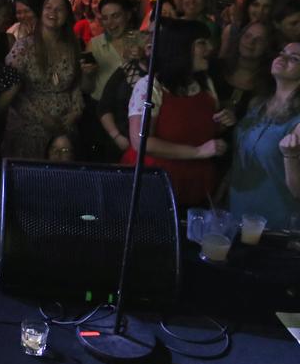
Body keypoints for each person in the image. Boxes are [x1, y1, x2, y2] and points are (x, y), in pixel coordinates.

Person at [122, 19, 233, 206]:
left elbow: (198, 129)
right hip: (156, 183)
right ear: (181, 47)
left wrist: (223, 122)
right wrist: (197, 152)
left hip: (195, 182)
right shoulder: (150, 87)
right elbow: (140, 141)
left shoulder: (205, 84)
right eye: (201, 43)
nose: (210, 48)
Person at [1, 0, 83, 159]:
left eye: (60, 9)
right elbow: (11, 90)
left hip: (64, 123)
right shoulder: (23, 46)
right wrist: (42, 118)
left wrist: (76, 110)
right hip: (29, 125)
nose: (54, 12)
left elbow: (76, 83)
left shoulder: (73, 45)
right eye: (49, 7)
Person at [229, 43, 300, 227]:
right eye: (282, 53)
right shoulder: (258, 104)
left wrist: (290, 155)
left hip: (274, 221)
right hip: (238, 210)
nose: (282, 58)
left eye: (294, 58)